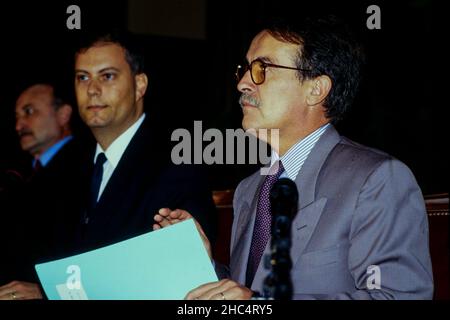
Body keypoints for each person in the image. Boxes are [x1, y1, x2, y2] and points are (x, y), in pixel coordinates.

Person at [153, 15, 434, 299]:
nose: (243, 84)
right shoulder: (248, 190)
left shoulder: (377, 180)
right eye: (246, 69)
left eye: (262, 68)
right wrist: (204, 265)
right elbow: (251, 291)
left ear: (316, 88)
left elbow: (399, 296)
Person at [72, 30, 216, 255]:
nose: (92, 89)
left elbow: (186, 264)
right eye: (83, 77)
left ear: (140, 85)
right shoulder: (62, 169)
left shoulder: (179, 163)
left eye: (107, 76)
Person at [0, 83, 87, 299]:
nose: (19, 125)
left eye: (29, 112)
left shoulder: (86, 166)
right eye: (16, 116)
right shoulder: (20, 175)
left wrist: (48, 290)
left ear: (63, 114)